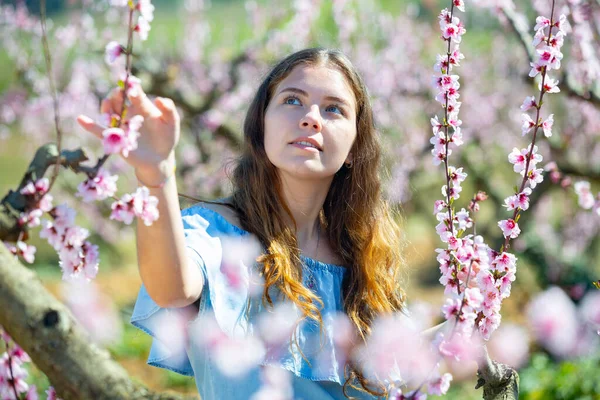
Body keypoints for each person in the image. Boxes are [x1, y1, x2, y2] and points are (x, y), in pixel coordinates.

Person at [77, 47, 406, 400]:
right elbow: (171, 288)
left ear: (355, 145)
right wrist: (155, 175)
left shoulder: (363, 260)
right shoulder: (218, 233)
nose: (312, 118)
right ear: (261, 123)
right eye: (293, 100)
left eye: (334, 109)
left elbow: (396, 372)